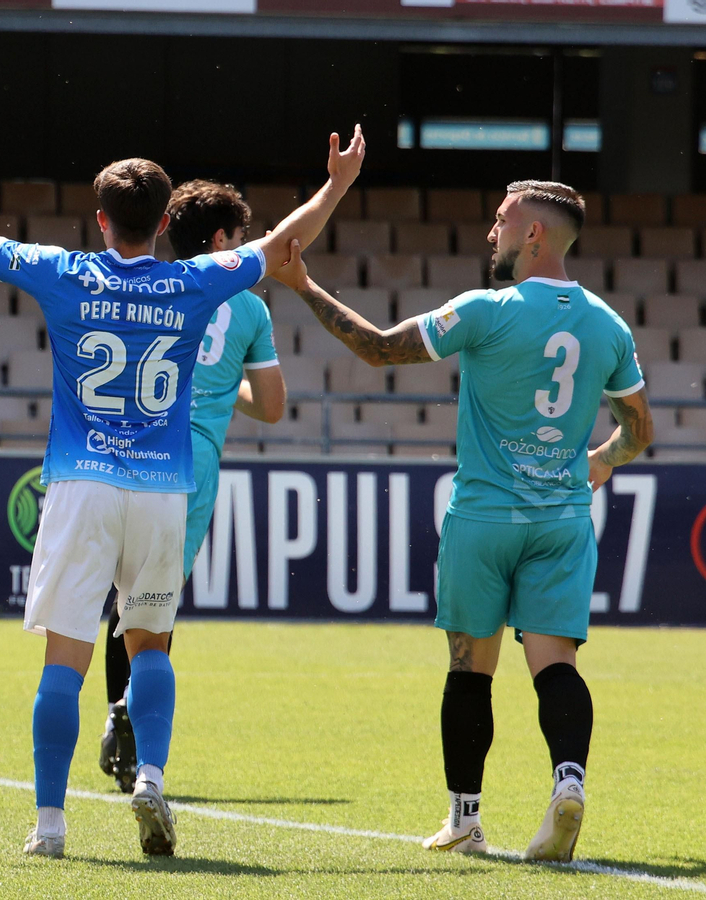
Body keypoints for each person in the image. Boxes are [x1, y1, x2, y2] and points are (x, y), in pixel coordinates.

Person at [0, 124, 364, 858]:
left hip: (81, 486)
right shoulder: (191, 281)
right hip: (165, 490)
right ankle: (152, 778)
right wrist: (337, 184)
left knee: (64, 660)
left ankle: (49, 827)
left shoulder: (66, 274)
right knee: (151, 647)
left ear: (100, 218)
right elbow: (284, 243)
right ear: (167, 223)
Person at [270, 180, 653, 862]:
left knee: (470, 670)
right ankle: (568, 784)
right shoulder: (607, 325)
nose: (491, 234)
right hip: (562, 521)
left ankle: (466, 820)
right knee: (555, 666)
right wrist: (598, 462)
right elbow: (640, 430)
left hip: (482, 519)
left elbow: (380, 348)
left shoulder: (485, 310)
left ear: (532, 233)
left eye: (502, 221)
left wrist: (302, 284)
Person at [97, 181, 288, 793]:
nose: (245, 245)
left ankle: (115, 714)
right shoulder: (249, 307)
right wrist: (224, 378)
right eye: (239, 236)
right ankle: (135, 719)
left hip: (131, 445)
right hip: (193, 461)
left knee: (123, 596)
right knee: (156, 605)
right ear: (220, 241)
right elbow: (274, 406)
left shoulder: (150, 285)